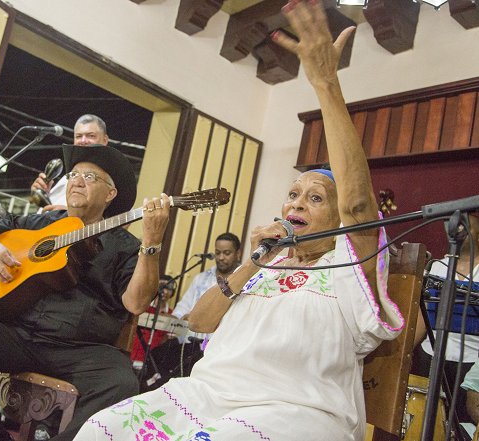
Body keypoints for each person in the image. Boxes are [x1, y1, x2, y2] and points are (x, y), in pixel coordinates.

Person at [73, 2, 404, 440]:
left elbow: (360, 208)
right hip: (210, 394)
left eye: (315, 197)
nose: (295, 205)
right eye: (291, 195)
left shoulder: (347, 260)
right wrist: (254, 262)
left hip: (298, 409)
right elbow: (200, 322)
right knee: (102, 427)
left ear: (339, 215)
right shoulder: (266, 264)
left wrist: (324, 83)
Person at [0, 144, 171, 441]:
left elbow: (137, 302)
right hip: (20, 336)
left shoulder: (125, 246)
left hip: (82, 350)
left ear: (110, 194)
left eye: (89, 177)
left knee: (122, 383)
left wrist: (151, 244)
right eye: (74, 174)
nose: (76, 180)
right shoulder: (40, 222)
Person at [141, 233, 242, 390]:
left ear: (238, 254)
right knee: (156, 357)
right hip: (190, 344)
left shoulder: (244, 281)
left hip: (218, 349)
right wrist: (178, 317)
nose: (221, 257)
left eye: (227, 253)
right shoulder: (201, 279)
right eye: (218, 252)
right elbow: (183, 307)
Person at [413, 213, 479, 425]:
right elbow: (421, 322)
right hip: (430, 360)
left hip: (470, 367)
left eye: (465, 223)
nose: (457, 227)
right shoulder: (435, 268)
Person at [31, 114, 109, 212]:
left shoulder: (111, 177)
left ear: (105, 140)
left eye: (91, 136)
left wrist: (69, 215)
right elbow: (47, 212)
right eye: (79, 136)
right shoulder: (67, 177)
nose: (83, 141)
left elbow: (120, 220)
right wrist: (42, 196)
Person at [130, 275, 177, 368]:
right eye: (161, 286)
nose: (164, 291)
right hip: (130, 357)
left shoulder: (173, 314)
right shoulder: (142, 306)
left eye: (168, 288)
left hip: (152, 362)